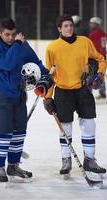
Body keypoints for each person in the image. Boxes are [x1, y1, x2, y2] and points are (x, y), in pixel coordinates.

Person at [0, 18, 49, 183]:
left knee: (19, 133)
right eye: (7, 35)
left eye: (13, 34)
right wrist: (18, 45)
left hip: (19, 94)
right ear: (0, 33)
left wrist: (46, 76)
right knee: (3, 133)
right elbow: (7, 64)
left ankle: (13, 166)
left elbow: (36, 64)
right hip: (0, 95)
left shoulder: (22, 45)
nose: (11, 38)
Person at [42, 15, 106, 178]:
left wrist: (99, 75)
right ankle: (66, 160)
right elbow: (49, 75)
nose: (69, 28)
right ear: (59, 29)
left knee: (89, 124)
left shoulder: (84, 42)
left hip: (83, 90)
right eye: (65, 26)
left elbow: (101, 59)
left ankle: (89, 160)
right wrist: (48, 97)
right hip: (63, 92)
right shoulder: (52, 48)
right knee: (65, 128)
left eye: (70, 25)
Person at [89, 17, 107, 101]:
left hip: (96, 58)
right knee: (101, 74)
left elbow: (90, 46)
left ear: (96, 24)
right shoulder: (103, 33)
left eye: (92, 23)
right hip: (103, 57)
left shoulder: (93, 34)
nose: (91, 25)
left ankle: (89, 94)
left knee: (91, 75)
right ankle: (102, 92)